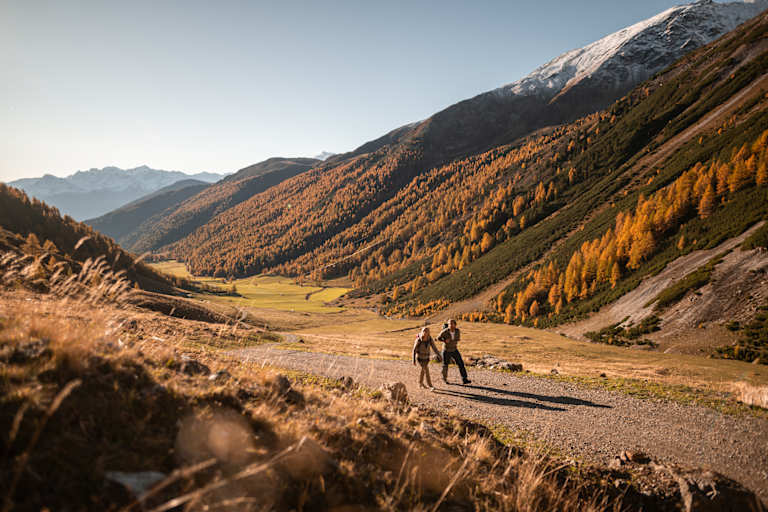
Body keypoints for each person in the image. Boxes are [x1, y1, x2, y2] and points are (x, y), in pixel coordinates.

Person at [437, 319, 471, 384]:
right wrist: (444, 340)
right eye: (449, 324)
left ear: (455, 325)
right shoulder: (445, 331)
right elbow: (438, 338)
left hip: (454, 349)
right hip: (446, 350)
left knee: (461, 363)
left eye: (452, 324)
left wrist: (453, 340)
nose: (450, 325)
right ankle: (444, 379)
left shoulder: (457, 331)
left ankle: (464, 379)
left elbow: (457, 339)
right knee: (445, 365)